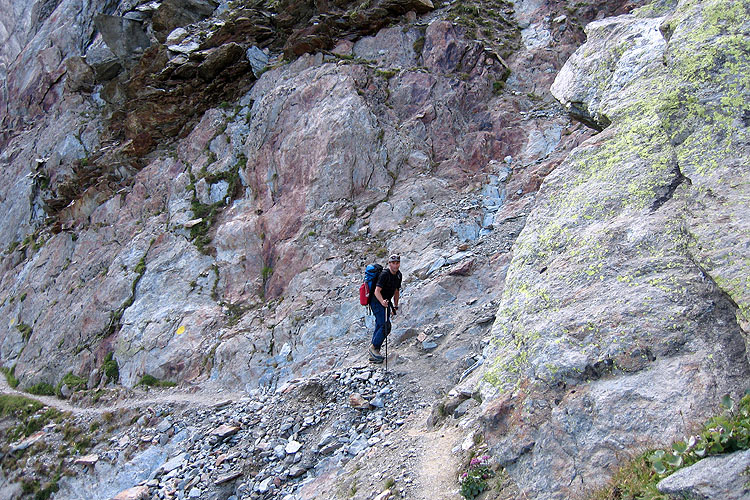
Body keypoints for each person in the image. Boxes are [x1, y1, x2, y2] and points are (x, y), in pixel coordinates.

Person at [369, 254, 402, 363]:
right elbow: (377, 291)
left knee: (380, 324)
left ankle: (374, 353)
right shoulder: (384, 274)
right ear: (389, 264)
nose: (395, 265)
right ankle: (374, 348)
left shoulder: (398, 275)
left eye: (397, 263)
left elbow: (396, 291)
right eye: (393, 263)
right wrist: (382, 301)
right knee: (385, 325)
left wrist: (395, 306)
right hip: (376, 300)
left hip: (386, 302)